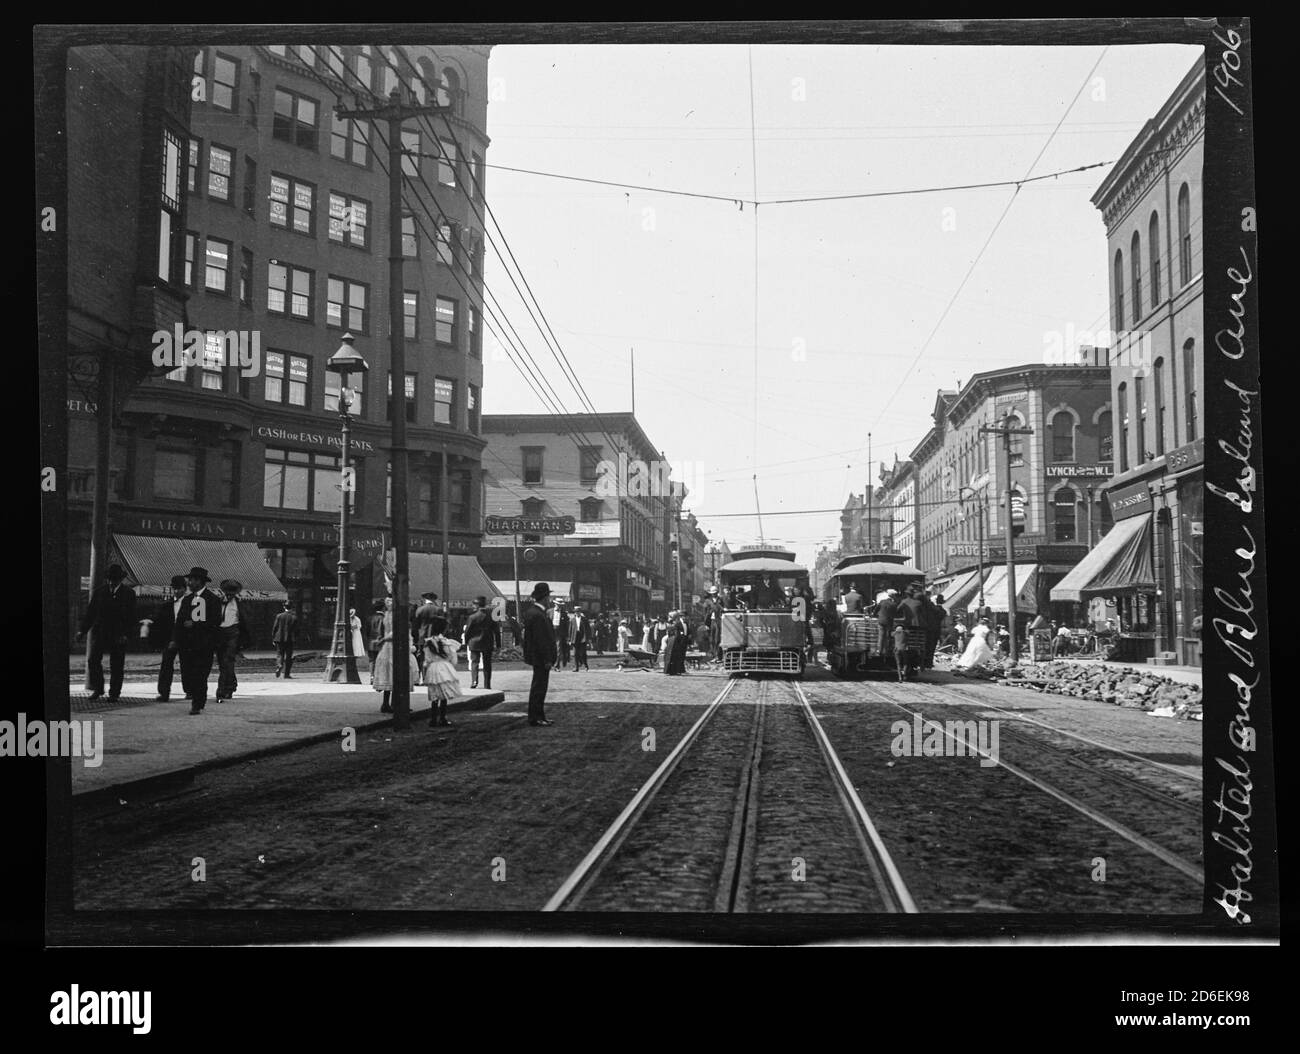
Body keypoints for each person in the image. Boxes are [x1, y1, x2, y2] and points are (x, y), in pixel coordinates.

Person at [78, 563, 137, 702]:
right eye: (110, 578)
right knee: (92, 660)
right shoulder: (100, 592)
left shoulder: (128, 593)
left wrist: (126, 635)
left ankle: (114, 693)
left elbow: (132, 617)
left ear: (120, 580)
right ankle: (98, 688)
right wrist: (82, 631)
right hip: (101, 633)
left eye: (115, 579)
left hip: (119, 635)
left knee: (116, 665)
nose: (112, 581)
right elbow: (90, 613)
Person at [174, 567, 224, 715]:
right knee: (188, 673)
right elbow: (180, 621)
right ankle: (194, 696)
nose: (190, 582)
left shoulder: (212, 599)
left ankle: (197, 703)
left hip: (204, 644)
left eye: (193, 580)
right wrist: (177, 639)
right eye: (190, 580)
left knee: (200, 674)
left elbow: (215, 621)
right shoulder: (188, 600)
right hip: (187, 645)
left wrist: (195, 624)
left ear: (200, 582)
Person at [145, 575, 189, 701]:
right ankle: (164, 692)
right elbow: (161, 623)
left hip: (185, 637)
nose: (177, 591)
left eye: (179, 589)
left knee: (186, 665)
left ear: (184, 589)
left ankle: (189, 690)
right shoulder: (167, 605)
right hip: (170, 638)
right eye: (174, 589)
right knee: (166, 665)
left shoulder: (190, 603)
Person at [521, 582, 557, 726]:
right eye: (548, 596)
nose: (549, 600)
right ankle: (536, 717)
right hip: (541, 658)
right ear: (545, 597)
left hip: (537, 657)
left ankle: (539, 716)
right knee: (539, 687)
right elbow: (541, 640)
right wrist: (547, 659)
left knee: (539, 686)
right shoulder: (538, 615)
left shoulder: (534, 613)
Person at [373, 598, 417, 713]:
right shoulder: (396, 616)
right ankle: (396, 704)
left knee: (390, 675)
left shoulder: (387, 615)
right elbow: (396, 631)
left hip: (388, 647)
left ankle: (388, 703)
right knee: (398, 674)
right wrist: (383, 639)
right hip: (396, 646)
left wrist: (382, 639)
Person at [420, 615, 461, 728]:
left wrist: (425, 671)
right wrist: (450, 665)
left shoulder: (428, 643)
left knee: (434, 694)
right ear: (444, 629)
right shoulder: (447, 642)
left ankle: (433, 719)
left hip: (433, 668)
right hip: (445, 668)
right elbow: (453, 658)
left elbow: (427, 660)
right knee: (444, 695)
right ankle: (442, 718)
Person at [215, 580, 251, 702]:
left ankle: (223, 691)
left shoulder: (239, 604)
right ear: (224, 592)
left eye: (232, 594)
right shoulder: (218, 602)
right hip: (219, 633)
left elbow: (245, 621)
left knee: (228, 661)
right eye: (228, 593)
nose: (230, 596)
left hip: (233, 633)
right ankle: (231, 685)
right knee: (222, 663)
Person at [463, 596, 500, 690]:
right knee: (487, 663)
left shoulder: (472, 617)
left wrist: (466, 642)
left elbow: (467, 631)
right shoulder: (491, 616)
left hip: (474, 642)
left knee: (474, 662)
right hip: (487, 642)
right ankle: (487, 684)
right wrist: (498, 644)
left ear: (477, 605)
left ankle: (474, 681)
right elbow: (496, 631)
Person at [271, 600, 298, 678]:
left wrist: (273, 638)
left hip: (279, 639)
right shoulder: (294, 617)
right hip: (289, 639)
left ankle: (279, 665)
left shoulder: (279, 616)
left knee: (280, 654)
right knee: (289, 657)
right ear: (292, 607)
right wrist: (295, 638)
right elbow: (296, 630)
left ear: (284, 607)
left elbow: (275, 628)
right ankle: (286, 674)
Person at [366, 600, 386, 673]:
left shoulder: (370, 618)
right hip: (381, 642)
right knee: (381, 660)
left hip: (371, 642)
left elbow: (367, 632)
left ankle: (372, 676)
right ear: (383, 608)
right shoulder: (384, 618)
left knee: (372, 660)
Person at [552, 602, 571, 671]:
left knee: (558, 650)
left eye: (560, 605)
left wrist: (567, 636)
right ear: (555, 604)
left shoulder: (564, 613)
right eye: (558, 605)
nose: (559, 606)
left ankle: (556, 666)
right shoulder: (549, 611)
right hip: (550, 633)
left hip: (559, 634)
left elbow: (566, 625)